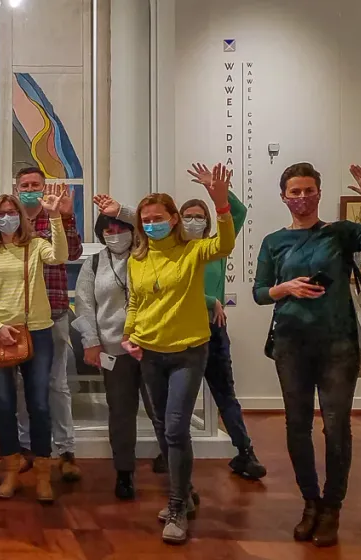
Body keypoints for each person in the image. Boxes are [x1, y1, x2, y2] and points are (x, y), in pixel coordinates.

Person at [254, 163, 361, 547]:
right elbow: (260, 292)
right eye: (294, 191)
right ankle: (310, 502)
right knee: (296, 427)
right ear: (284, 196)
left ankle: (332, 507)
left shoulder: (340, 233)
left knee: (336, 427)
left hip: (338, 346)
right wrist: (285, 288)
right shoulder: (273, 241)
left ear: (319, 193)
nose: (302, 197)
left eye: (308, 189)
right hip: (291, 345)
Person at [122, 163, 234, 544]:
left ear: (173, 220)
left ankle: (177, 506)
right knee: (161, 429)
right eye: (146, 219)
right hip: (149, 353)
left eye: (158, 218)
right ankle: (185, 491)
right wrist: (128, 334)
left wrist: (221, 206)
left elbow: (225, 245)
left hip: (188, 352)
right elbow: (135, 301)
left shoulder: (193, 251)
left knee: (174, 428)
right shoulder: (137, 259)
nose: (152, 224)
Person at [0, 187, 70, 503]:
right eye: (0, 214)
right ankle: (11, 470)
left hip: (37, 332)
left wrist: (55, 217)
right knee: (3, 405)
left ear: (22, 217)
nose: (6, 218)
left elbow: (61, 256)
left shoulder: (36, 245)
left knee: (39, 404)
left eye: (12, 212)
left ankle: (43, 472)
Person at [179, 165, 265, 481]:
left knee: (225, 394)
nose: (193, 220)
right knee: (180, 396)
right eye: (187, 215)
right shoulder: (173, 250)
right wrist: (209, 300)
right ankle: (171, 452)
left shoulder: (218, 247)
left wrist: (215, 192)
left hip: (213, 331)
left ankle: (246, 452)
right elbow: (175, 289)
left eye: (198, 215)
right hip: (180, 330)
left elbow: (239, 213)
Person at [75, 194, 162, 501]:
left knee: (161, 410)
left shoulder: (149, 252)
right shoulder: (95, 262)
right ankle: (124, 472)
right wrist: (91, 343)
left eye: (119, 228)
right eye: (107, 231)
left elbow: (149, 225)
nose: (114, 235)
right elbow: (84, 304)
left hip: (152, 346)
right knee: (121, 413)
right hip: (114, 350)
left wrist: (123, 211)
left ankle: (173, 462)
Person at [11, 166, 84, 481]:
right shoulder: (10, 223)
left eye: (35, 184)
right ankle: (28, 447)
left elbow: (73, 253)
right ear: (16, 189)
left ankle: (66, 449)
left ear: (44, 187)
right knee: (22, 386)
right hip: (18, 318)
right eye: (24, 185)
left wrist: (66, 218)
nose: (30, 189)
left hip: (54, 313)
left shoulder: (55, 216)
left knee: (57, 384)